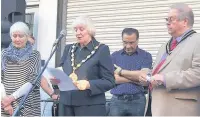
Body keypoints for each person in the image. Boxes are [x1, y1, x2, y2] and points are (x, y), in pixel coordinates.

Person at [50, 15, 115, 116]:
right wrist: (56, 80)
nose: (78, 33)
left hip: (89, 107)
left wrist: (89, 84)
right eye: (75, 30)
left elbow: (109, 81)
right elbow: (61, 71)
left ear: (90, 30)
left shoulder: (102, 49)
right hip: (66, 105)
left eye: (81, 29)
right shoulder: (69, 49)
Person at [149, 3, 200, 116]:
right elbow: (158, 70)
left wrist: (165, 79)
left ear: (185, 21)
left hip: (181, 109)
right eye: (167, 19)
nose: (167, 22)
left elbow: (198, 73)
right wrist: (148, 76)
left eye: (171, 19)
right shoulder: (165, 46)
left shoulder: (198, 41)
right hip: (158, 107)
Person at [108, 28, 152, 116]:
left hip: (138, 101)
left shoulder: (146, 56)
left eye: (131, 43)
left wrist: (120, 71)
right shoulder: (114, 56)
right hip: (117, 101)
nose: (128, 46)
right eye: (125, 42)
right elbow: (113, 79)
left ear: (138, 40)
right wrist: (135, 78)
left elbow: (144, 76)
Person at [1, 22, 41, 116]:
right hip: (6, 106)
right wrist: (5, 101)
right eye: (14, 36)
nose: (17, 39)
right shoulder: (4, 54)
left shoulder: (34, 55)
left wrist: (12, 97)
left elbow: (33, 81)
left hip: (27, 106)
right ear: (11, 37)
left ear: (27, 37)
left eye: (21, 36)